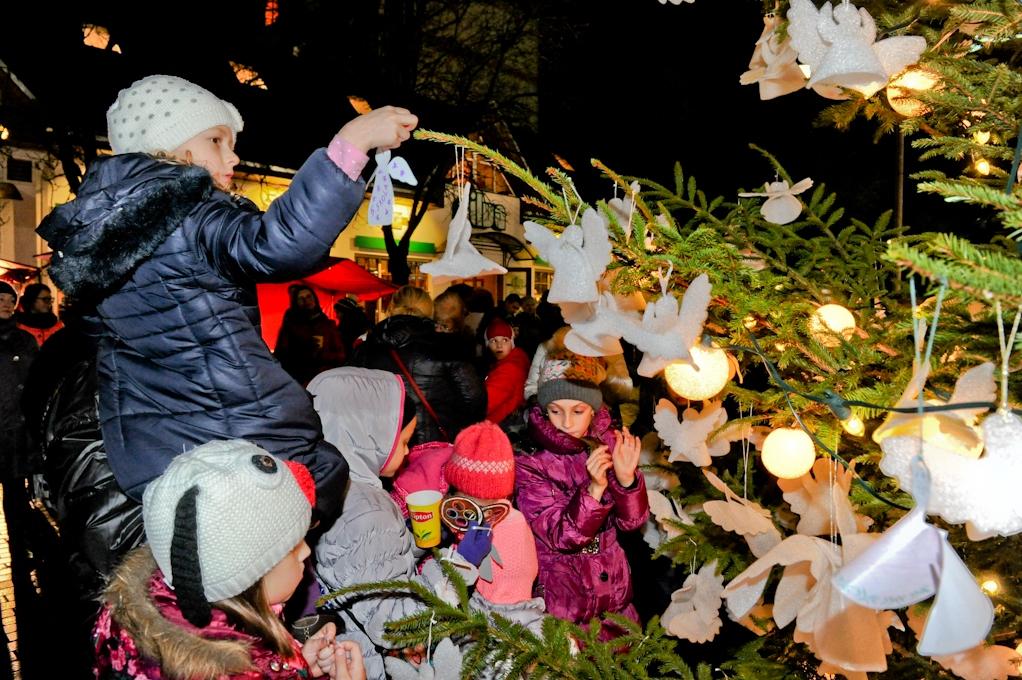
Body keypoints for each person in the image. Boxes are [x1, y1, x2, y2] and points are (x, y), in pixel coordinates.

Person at [35, 74, 417, 524]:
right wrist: (350, 146)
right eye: (216, 140)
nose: (232, 155)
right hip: (240, 430)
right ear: (172, 148)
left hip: (157, 443)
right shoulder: (184, 211)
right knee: (319, 487)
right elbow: (276, 244)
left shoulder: (111, 229)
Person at [93, 438, 367, 679]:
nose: (306, 552)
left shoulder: (184, 605)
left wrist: (296, 666)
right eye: (291, 546)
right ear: (246, 571)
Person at [307, 367, 491, 680]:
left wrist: (417, 542)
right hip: (373, 665)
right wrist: (458, 566)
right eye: (404, 440)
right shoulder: (367, 511)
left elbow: (366, 571)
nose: (406, 453)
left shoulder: (337, 488)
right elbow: (396, 627)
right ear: (368, 436)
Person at [514, 350, 649, 637]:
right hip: (565, 598)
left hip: (614, 595)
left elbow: (633, 523)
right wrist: (593, 491)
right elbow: (561, 536)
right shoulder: (531, 462)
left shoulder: (610, 443)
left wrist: (627, 483)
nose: (566, 422)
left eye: (578, 411)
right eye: (555, 410)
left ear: (594, 408)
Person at [443, 421, 545, 634]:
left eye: (481, 501)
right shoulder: (474, 521)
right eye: (462, 497)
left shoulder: (512, 527)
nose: (469, 511)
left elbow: (508, 596)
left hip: (506, 623)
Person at [350, 286, 485, 445]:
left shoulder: (365, 349)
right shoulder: (448, 347)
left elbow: (354, 403)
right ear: (429, 310)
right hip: (435, 447)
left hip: (381, 448)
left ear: (391, 308)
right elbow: (475, 402)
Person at [275, 284, 346, 386]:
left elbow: (340, 355)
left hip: (324, 380)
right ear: (296, 302)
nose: (306, 301)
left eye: (309, 296)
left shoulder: (327, 325)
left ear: (314, 298)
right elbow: (281, 355)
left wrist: (323, 355)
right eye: (301, 298)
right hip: (299, 381)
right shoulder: (290, 327)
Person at [482, 317, 529, 429]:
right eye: (494, 340)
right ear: (488, 344)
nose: (499, 345)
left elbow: (486, 404)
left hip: (500, 424)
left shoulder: (508, 368)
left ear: (512, 342)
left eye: (505, 340)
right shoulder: (516, 358)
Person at [15, 282, 63, 347]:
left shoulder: (57, 325)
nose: (49, 303)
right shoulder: (18, 327)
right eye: (45, 299)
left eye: (50, 300)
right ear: (32, 299)